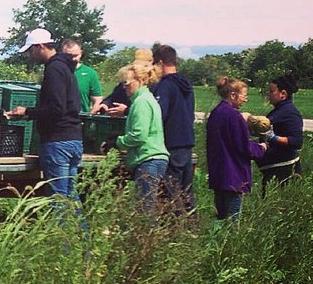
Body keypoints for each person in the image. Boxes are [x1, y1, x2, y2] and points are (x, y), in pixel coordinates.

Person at [2, 28, 84, 215]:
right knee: (71, 197)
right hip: (73, 138)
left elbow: (56, 108)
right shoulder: (66, 67)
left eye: (31, 50)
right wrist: (29, 113)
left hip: (58, 141)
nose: (30, 55)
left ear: (40, 47)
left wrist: (27, 111)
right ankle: (80, 234)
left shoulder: (54, 69)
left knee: (58, 199)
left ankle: (60, 234)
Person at [205, 76, 266, 222]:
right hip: (233, 176)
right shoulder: (234, 116)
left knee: (220, 219)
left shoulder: (216, 113)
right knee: (232, 223)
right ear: (233, 95)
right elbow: (243, 147)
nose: (246, 100)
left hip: (218, 175)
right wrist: (261, 148)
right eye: (244, 96)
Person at [113, 60, 169, 211]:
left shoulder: (141, 102)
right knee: (146, 207)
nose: (124, 87)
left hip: (148, 159)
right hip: (153, 159)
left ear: (139, 81)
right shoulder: (147, 99)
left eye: (126, 83)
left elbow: (139, 135)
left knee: (146, 210)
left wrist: (118, 142)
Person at [150, 44, 196, 213]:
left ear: (160, 63)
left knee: (170, 192)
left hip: (171, 144)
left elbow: (158, 115)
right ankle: (191, 224)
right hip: (187, 143)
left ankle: (174, 225)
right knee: (187, 192)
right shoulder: (186, 85)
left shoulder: (165, 86)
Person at [258, 73, 304, 190]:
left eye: (272, 91)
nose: (269, 94)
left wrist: (273, 138)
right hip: (273, 168)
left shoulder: (290, 113)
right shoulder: (278, 111)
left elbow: (297, 141)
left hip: (285, 170)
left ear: (283, 94)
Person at [61, 39, 103, 114]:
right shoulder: (56, 71)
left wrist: (93, 112)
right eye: (69, 56)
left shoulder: (90, 73)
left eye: (76, 55)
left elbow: (97, 98)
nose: (73, 59)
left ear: (81, 53)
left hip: (81, 117)